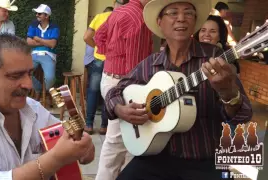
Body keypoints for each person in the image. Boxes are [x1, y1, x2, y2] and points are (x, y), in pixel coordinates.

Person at [104, 0, 253, 179]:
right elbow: (114, 92)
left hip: (203, 162)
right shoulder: (150, 64)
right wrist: (120, 109)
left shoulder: (215, 58)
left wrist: (227, 92)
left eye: (188, 13)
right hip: (154, 159)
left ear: (195, 21)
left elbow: (244, 114)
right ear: (160, 22)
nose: (181, 18)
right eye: (173, 13)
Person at [0, 34, 95, 179]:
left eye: (29, 74)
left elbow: (67, 139)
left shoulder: (31, 108)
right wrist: (56, 159)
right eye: (15, 76)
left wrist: (83, 147)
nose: (28, 84)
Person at [94, 0, 153, 179]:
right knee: (116, 143)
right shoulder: (138, 18)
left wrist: (112, 55)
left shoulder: (119, 12)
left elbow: (98, 37)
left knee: (128, 141)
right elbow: (136, 67)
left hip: (110, 77)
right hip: (123, 84)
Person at [83, 5, 116, 135]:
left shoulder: (99, 17)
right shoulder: (121, 17)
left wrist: (98, 46)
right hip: (113, 60)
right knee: (108, 92)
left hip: (98, 59)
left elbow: (86, 37)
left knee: (93, 91)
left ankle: (89, 124)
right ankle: (104, 126)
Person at [27, 4, 60, 103]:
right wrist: (45, 41)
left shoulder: (54, 27)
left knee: (50, 78)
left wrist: (37, 39)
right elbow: (28, 41)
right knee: (24, 71)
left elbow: (53, 44)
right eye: (36, 13)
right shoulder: (33, 25)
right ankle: (38, 88)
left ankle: (46, 92)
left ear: (46, 16)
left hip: (48, 55)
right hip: (34, 54)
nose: (37, 15)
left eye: (39, 13)